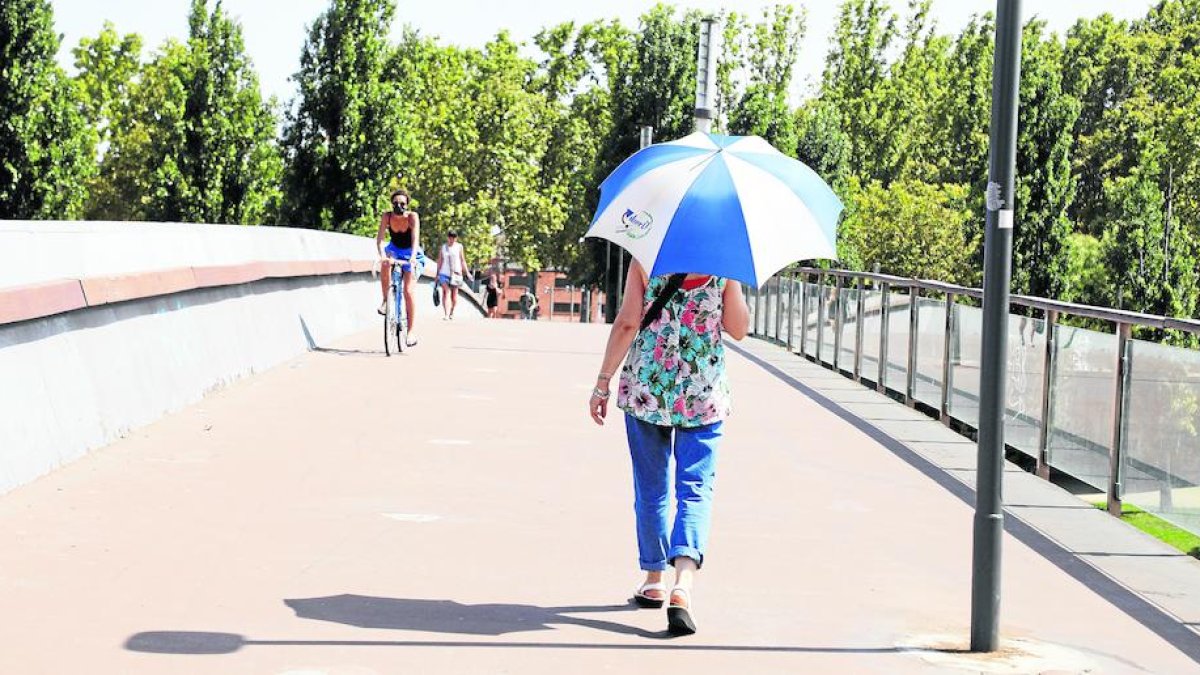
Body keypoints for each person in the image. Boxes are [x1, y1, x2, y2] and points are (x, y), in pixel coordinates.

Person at [588, 260, 749, 637]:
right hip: (703, 395)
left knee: (651, 489)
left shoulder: (645, 259)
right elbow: (739, 329)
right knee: (696, 489)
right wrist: (733, 280)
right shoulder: (722, 263)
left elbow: (628, 323)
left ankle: (654, 578)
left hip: (648, 390)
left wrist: (602, 382)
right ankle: (684, 585)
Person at [376, 189, 421, 346]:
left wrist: (413, 258)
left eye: (402, 204)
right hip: (394, 249)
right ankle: (385, 300)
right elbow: (380, 240)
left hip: (411, 253)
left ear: (407, 205)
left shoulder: (412, 217)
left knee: (408, 290)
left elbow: (415, 240)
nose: (398, 206)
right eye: (395, 203)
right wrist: (382, 254)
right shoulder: (387, 216)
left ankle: (411, 332)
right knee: (385, 264)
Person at [436, 231, 470, 320]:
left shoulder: (459, 247)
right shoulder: (443, 247)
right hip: (444, 273)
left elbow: (462, 260)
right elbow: (440, 260)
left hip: (456, 274)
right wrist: (437, 273)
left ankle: (452, 311)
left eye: (454, 238)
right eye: (450, 237)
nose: (452, 240)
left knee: (454, 296)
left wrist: (467, 272)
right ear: (448, 238)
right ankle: (446, 314)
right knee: (446, 292)